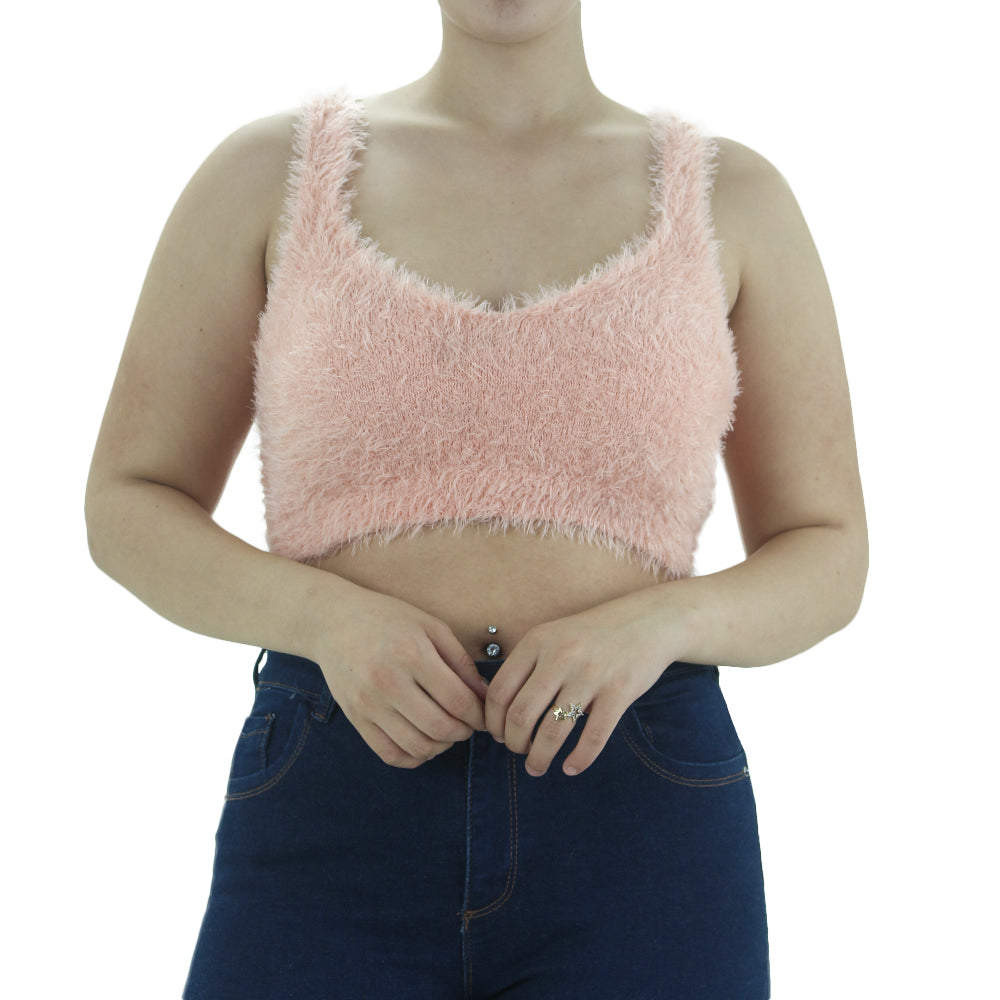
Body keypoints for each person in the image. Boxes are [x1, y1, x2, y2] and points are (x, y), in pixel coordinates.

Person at [85, 2, 867, 997]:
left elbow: (827, 548)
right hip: (334, 796)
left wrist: (659, 623)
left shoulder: (735, 199)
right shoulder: (267, 177)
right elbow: (129, 500)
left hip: (637, 810)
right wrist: (324, 618)